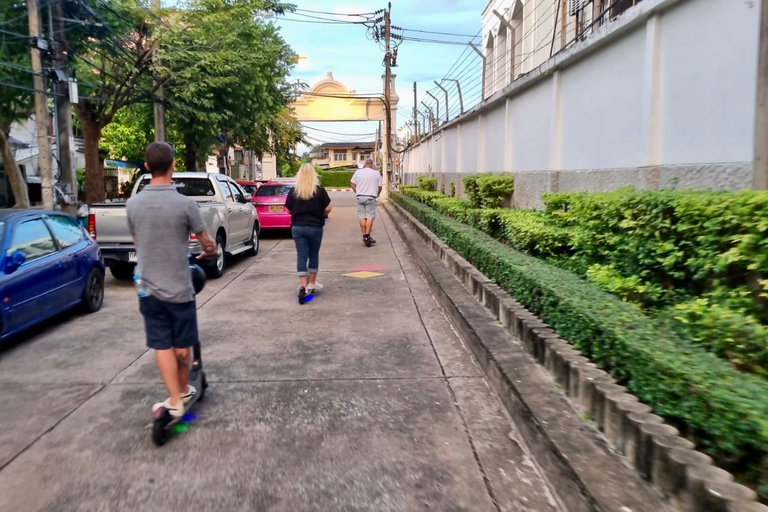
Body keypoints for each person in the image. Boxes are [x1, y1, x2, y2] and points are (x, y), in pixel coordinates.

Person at [127, 142, 217, 418]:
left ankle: (174, 400)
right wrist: (206, 251)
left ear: (146, 167)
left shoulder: (133, 204)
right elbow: (208, 243)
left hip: (147, 288)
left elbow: (137, 241)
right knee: (182, 343)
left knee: (161, 343)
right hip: (179, 286)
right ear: (173, 165)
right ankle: (184, 389)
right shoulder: (185, 204)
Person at [285, 163, 332, 304]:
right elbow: (328, 208)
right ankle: (312, 283)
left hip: (298, 227)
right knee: (313, 254)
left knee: (301, 255)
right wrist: (319, 213)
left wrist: (297, 212)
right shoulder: (319, 190)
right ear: (313, 175)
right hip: (315, 227)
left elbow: (287, 209)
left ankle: (302, 285)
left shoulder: (294, 191)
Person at [350, 158, 382, 247]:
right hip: (371, 197)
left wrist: (357, 192)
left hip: (360, 197)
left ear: (365, 164)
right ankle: (367, 235)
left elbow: (352, 184)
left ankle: (364, 235)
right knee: (369, 217)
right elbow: (380, 187)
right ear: (372, 164)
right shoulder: (376, 173)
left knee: (362, 217)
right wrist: (377, 194)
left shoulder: (358, 172)